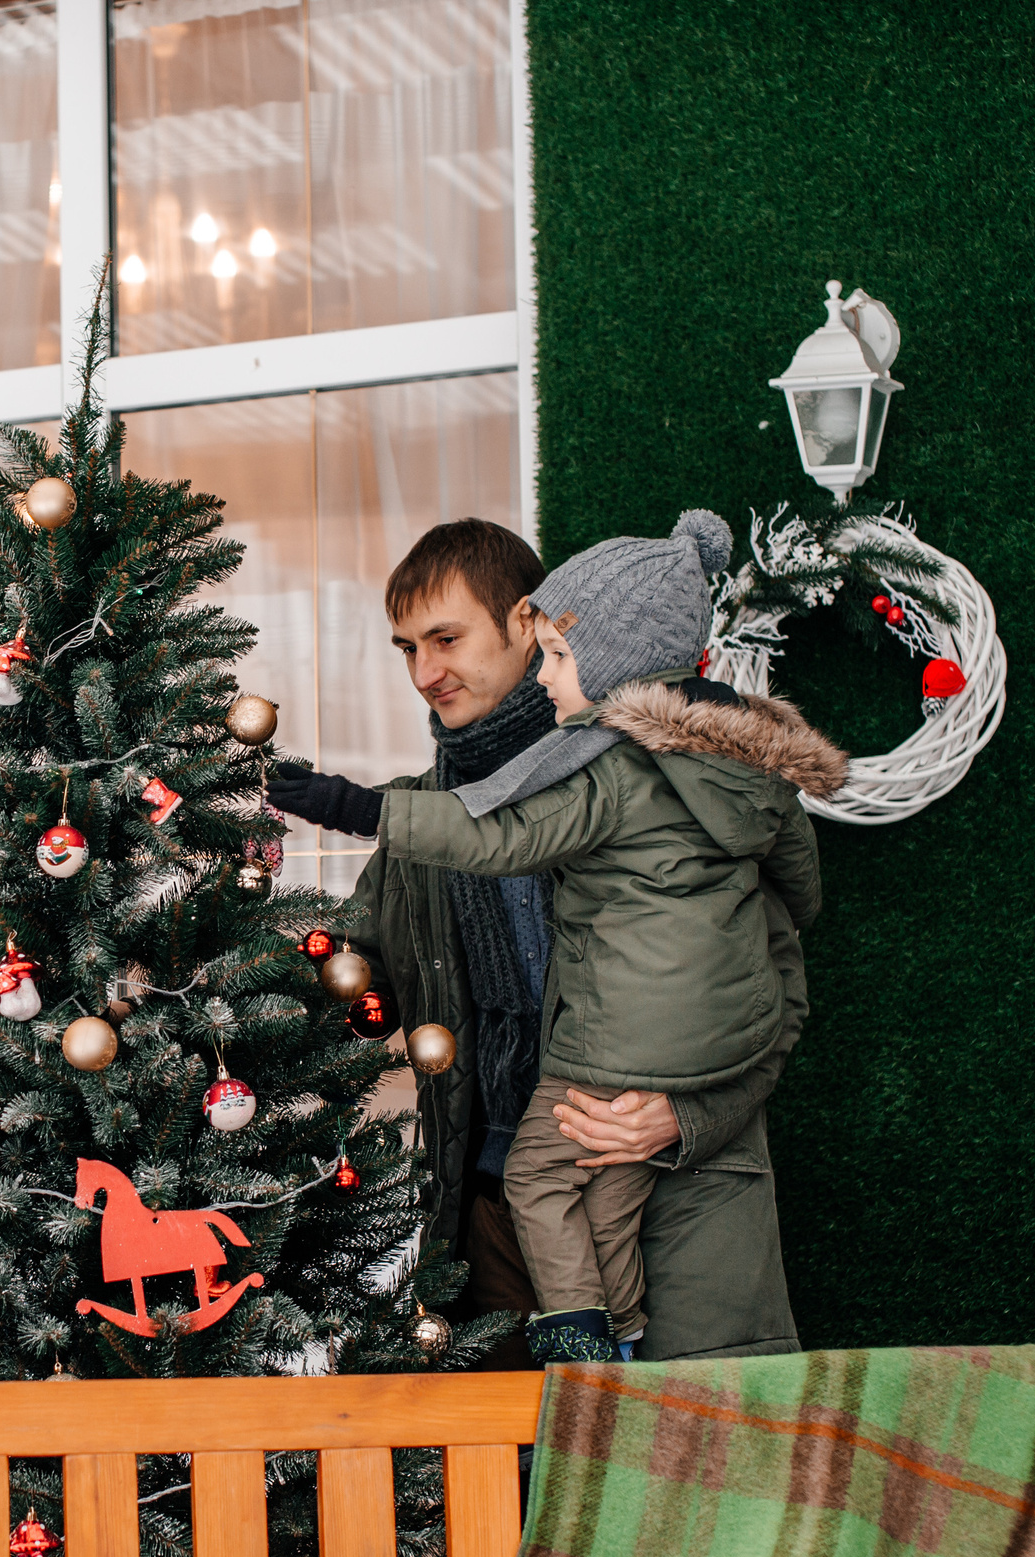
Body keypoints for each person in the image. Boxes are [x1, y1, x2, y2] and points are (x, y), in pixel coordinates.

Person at [271, 516, 815, 1365]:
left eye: (446, 638)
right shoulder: (421, 819)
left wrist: (686, 1115)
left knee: (679, 1477)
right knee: (524, 1489)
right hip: (491, 1208)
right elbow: (365, 968)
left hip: (678, 1195)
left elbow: (771, 989)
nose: (425, 673)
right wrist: (342, 984)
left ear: (528, 625)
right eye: (406, 648)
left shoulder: (665, 784)